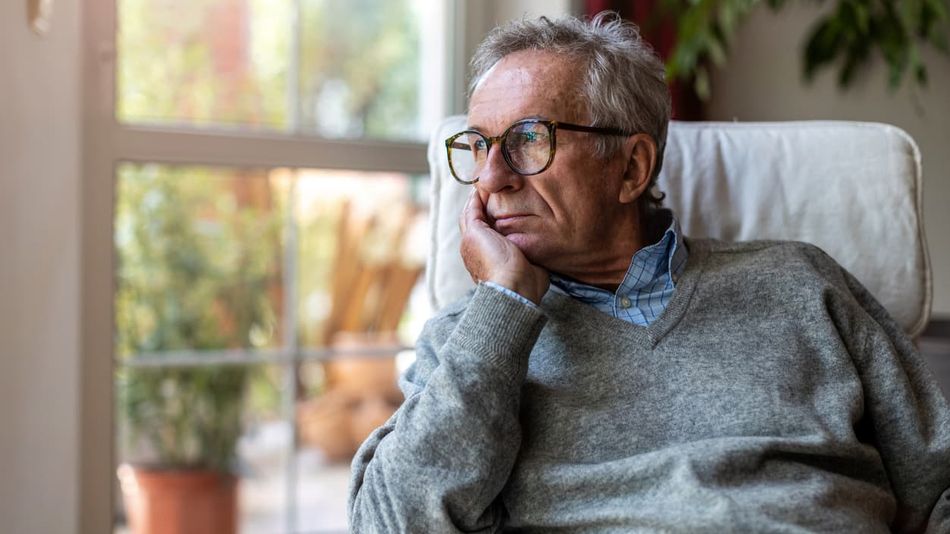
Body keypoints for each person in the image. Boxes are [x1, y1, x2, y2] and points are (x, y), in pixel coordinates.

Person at [348, 12, 950, 533]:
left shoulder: (802, 283)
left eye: (529, 139)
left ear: (632, 168)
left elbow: (939, 482)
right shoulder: (471, 340)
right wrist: (503, 306)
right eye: (478, 146)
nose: (490, 179)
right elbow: (393, 523)